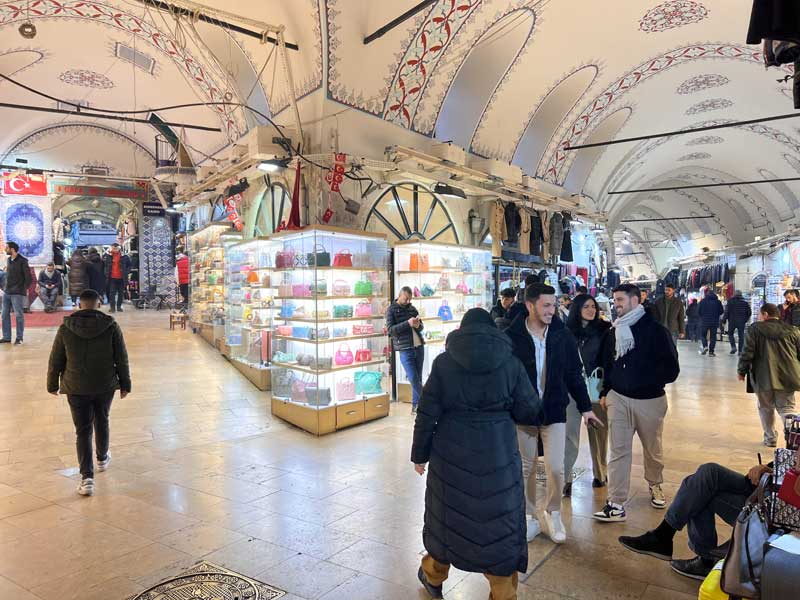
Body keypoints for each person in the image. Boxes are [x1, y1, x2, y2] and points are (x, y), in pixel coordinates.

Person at [411, 308, 541, 600]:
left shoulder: (445, 363)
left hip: (450, 453)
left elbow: (427, 412)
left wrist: (419, 454)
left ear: (461, 330)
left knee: (447, 519)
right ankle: (502, 591)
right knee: (498, 524)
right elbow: (530, 410)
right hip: (498, 452)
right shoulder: (510, 363)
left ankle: (433, 576)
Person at [506, 283, 601, 543]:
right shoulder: (512, 335)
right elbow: (505, 376)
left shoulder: (561, 335)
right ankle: (528, 516)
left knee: (557, 468)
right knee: (524, 468)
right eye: (546, 305)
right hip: (523, 414)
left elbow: (573, 374)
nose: (552, 310)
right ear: (530, 306)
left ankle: (552, 510)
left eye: (554, 304)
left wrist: (585, 408)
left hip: (554, 411)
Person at [593, 283, 680, 523]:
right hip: (618, 399)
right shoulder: (613, 332)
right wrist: (607, 391)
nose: (616, 304)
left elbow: (672, 370)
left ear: (635, 300)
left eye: (620, 299)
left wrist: (644, 378)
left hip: (650, 400)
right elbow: (607, 365)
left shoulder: (655, 331)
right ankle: (616, 503)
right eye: (615, 300)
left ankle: (655, 484)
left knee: (652, 449)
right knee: (618, 451)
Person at [618, 462, 772, 580]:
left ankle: (692, 553)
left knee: (699, 491)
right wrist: (767, 468)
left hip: (772, 505)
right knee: (707, 474)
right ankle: (666, 539)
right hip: (769, 483)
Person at [46, 289, 131, 496]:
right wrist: (125, 383)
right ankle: (102, 458)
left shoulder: (65, 328)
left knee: (82, 430)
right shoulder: (111, 326)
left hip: (76, 386)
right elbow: (121, 357)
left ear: (79, 304)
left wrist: (52, 384)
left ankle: (87, 479)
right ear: (99, 303)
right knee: (102, 419)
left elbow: (56, 359)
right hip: (104, 384)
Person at [563, 294, 615, 495]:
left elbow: (609, 361)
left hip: (595, 386)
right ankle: (566, 479)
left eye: (593, 306)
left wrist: (606, 389)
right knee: (570, 435)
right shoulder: (566, 332)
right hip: (571, 387)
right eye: (586, 306)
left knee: (598, 433)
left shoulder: (604, 331)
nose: (591, 310)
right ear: (577, 308)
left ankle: (600, 474)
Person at [737, 303, 800, 447]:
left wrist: (742, 371)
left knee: (765, 407)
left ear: (765, 314)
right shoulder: (793, 330)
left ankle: (770, 438)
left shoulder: (755, 329)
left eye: (760, 314)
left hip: (762, 376)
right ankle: (794, 439)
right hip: (788, 376)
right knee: (787, 408)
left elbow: (747, 352)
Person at [386, 286, 425, 414]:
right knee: (413, 378)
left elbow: (421, 327)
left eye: (410, 299)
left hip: (418, 346)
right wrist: (407, 323)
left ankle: (416, 407)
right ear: (400, 295)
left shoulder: (412, 308)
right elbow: (391, 331)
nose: (408, 301)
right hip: (405, 349)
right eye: (406, 299)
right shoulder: (391, 310)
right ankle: (428, 401)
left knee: (418, 378)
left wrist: (418, 325)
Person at [1, 241, 31, 345]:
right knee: (4, 314)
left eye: (7, 248)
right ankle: (6, 337)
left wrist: (23, 289)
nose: (5, 249)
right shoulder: (9, 260)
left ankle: (19, 337)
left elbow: (28, 278)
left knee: (18, 315)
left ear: (12, 249)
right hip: (7, 291)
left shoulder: (23, 261)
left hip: (17, 292)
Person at [722, 290, 752, 355]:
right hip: (741, 322)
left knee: (730, 334)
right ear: (741, 295)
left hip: (732, 321)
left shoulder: (730, 302)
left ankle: (733, 347)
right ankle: (740, 351)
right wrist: (745, 320)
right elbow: (749, 313)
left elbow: (726, 312)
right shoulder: (745, 303)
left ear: (734, 295)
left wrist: (723, 321)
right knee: (741, 336)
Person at [103, 243, 131, 313]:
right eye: (113, 248)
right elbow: (103, 265)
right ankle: (112, 307)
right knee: (112, 293)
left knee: (121, 293)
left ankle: (119, 307)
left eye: (116, 248)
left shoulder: (124, 256)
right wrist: (105, 273)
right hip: (111, 278)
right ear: (111, 248)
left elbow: (129, 265)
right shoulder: (107, 256)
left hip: (121, 278)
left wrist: (126, 272)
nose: (114, 249)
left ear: (119, 248)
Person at [697, 289, 723, 356]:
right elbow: (721, 311)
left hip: (704, 321)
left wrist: (702, 316)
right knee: (713, 337)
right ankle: (711, 352)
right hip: (714, 322)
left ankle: (705, 346)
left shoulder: (702, 301)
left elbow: (698, 311)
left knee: (703, 335)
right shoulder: (718, 302)